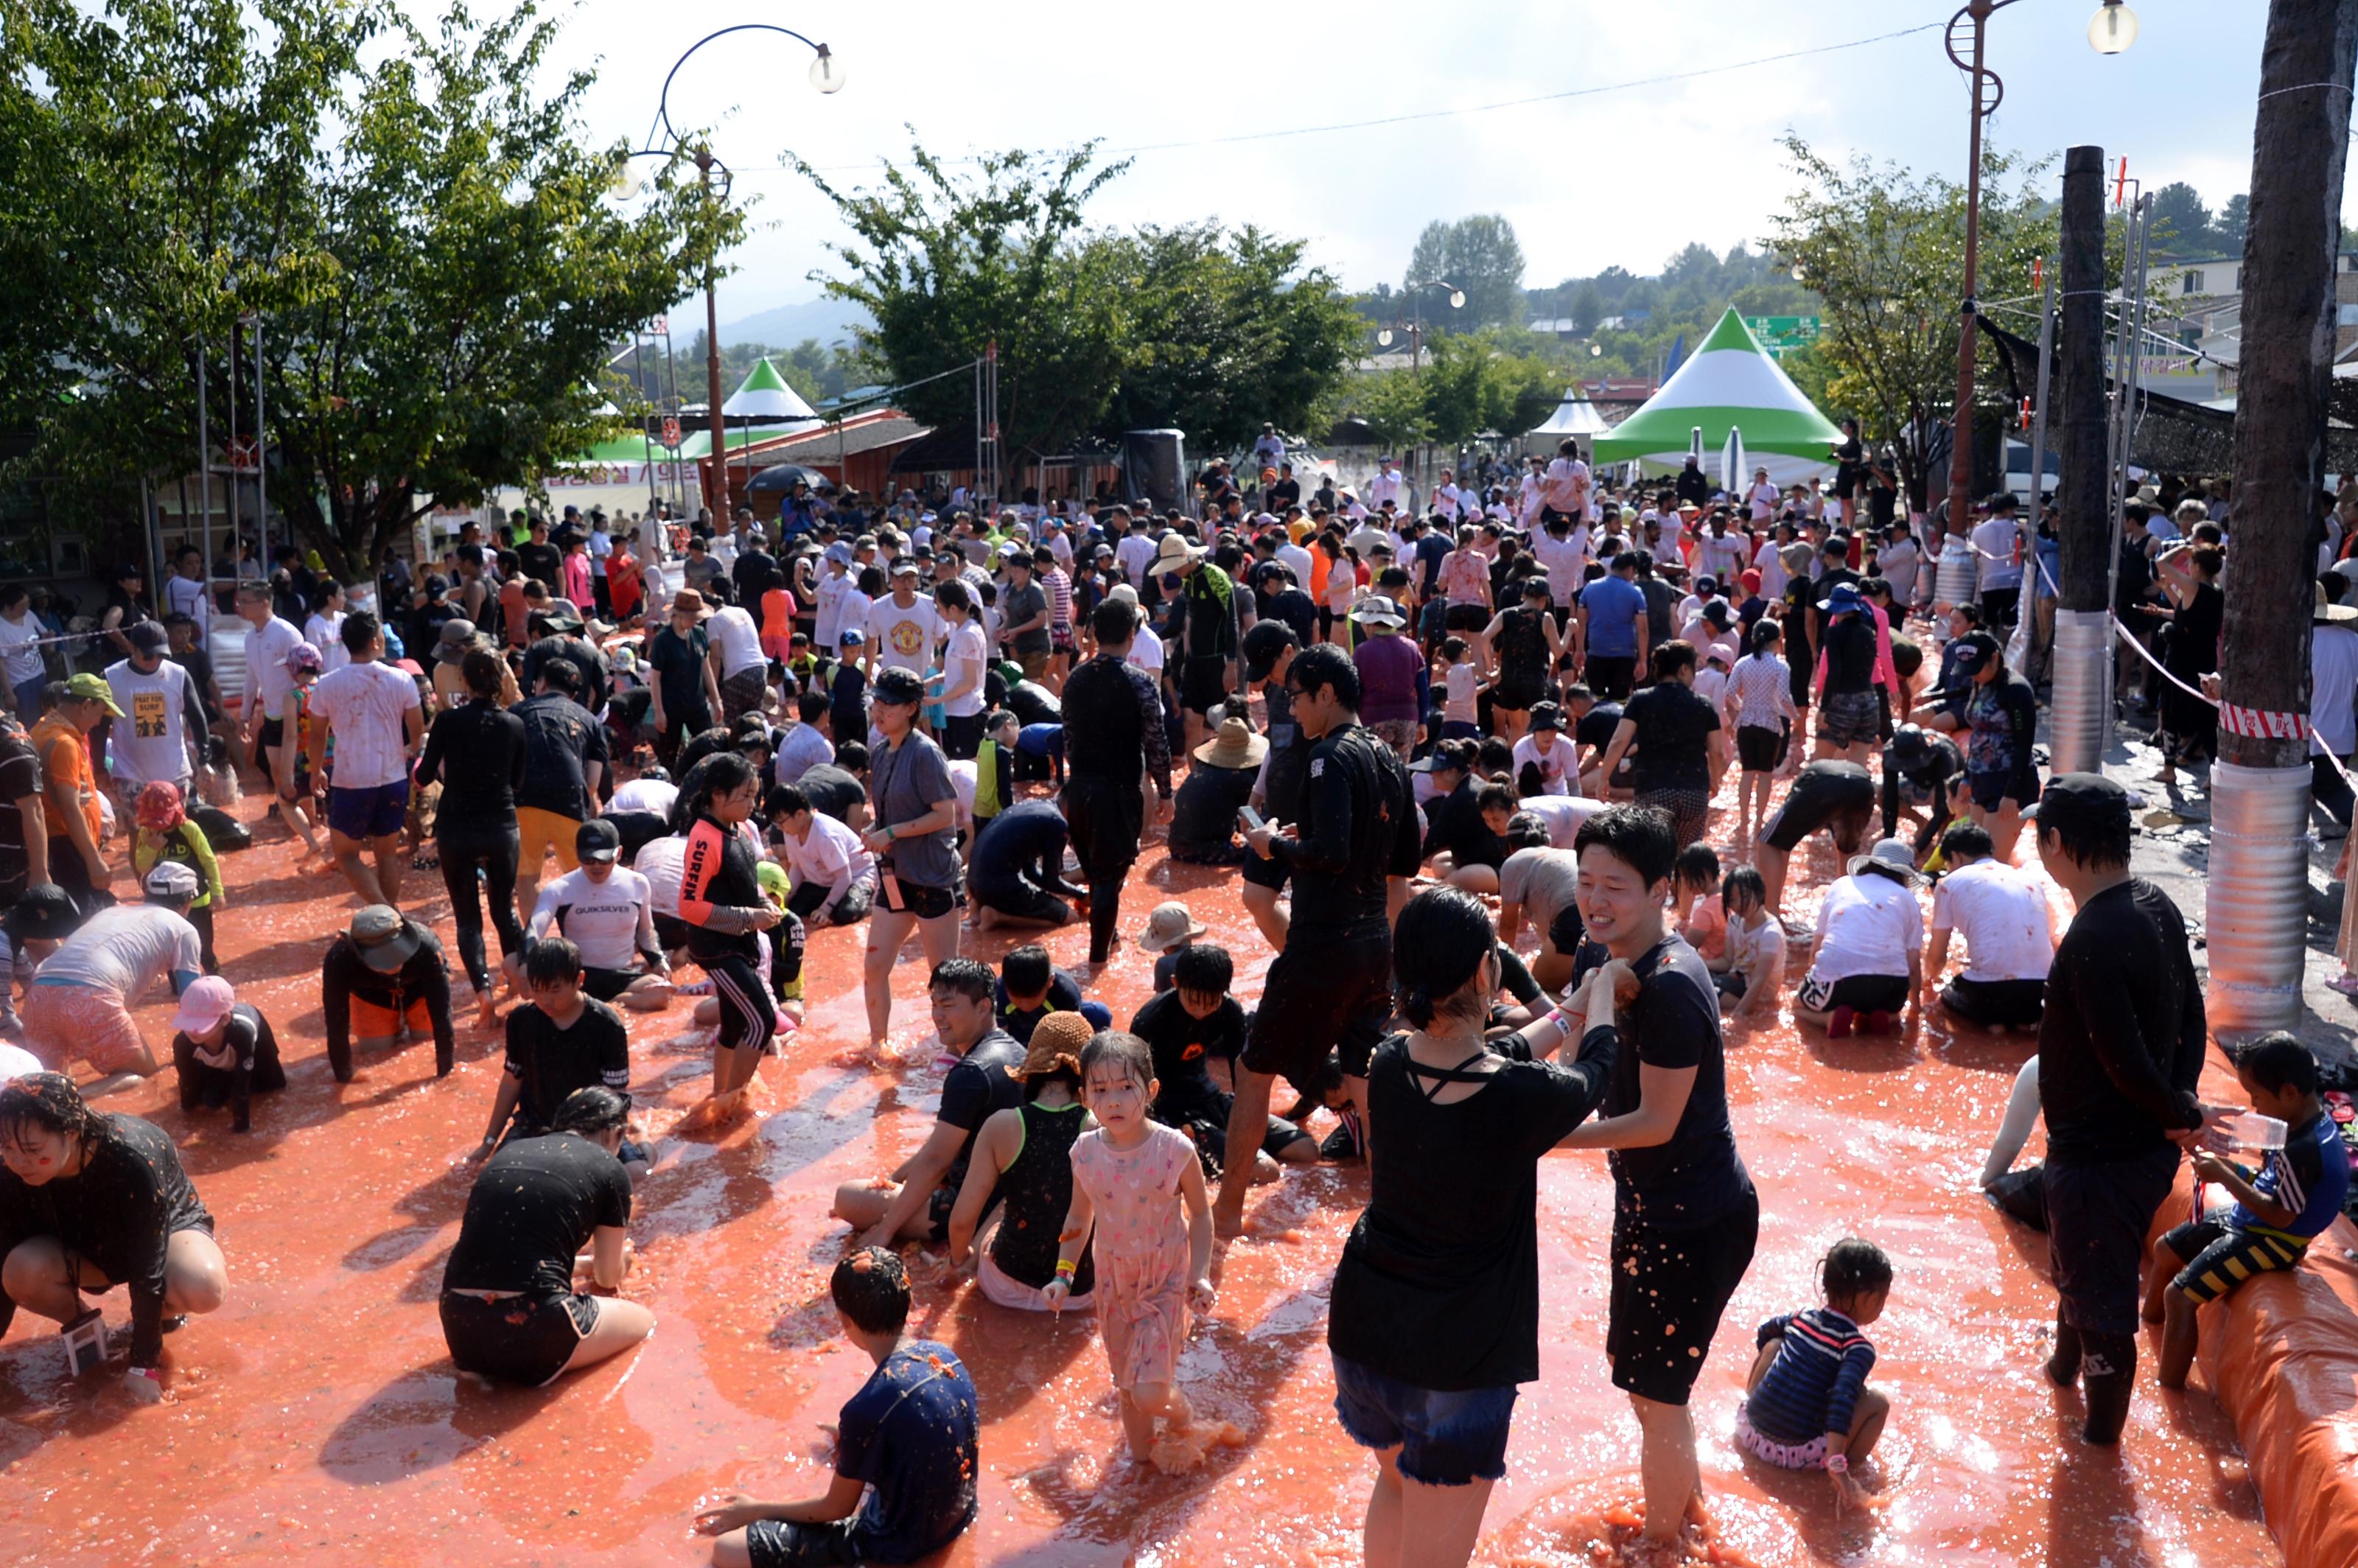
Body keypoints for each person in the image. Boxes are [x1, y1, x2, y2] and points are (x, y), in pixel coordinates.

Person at [1328, 889, 1622, 1568]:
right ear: (1486, 974)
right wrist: (1602, 992)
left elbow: (1496, 1053)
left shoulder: (1391, 1062)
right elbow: (1595, 1071)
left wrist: (1571, 1007)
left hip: (1367, 1332)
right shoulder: (1521, 1097)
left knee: (1396, 1487)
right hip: (1455, 1354)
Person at [1557, 806, 1757, 1553]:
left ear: (1661, 889)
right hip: (1645, 1207)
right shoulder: (1593, 955)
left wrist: (1548, 1139)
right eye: (1584, 883)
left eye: (1615, 886)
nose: (1595, 901)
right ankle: (1692, 1512)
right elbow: (1577, 1058)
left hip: (1697, 1217)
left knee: (1656, 1392)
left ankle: (1662, 1547)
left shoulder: (1674, 983)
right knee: (1644, 1385)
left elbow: (1655, 1121)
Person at [2027, 773, 2206, 1444]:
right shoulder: (2155, 904)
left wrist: (2174, 1109)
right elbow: (2191, 1013)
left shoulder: (2091, 940)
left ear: (2056, 843)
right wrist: (2178, 1103)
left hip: (2099, 1160)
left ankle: (2098, 1454)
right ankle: (2060, 1371)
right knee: (2082, 1271)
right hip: (2136, 1147)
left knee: (2104, 1307)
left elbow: (2121, 1058)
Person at [1230, 644, 1421, 1229]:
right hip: (1373, 950)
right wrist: (1302, 835)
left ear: (1327, 695)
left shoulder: (1324, 758)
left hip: (1324, 944)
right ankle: (1392, 1214)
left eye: (1295, 696)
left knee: (1252, 1073)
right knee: (1365, 1083)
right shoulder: (1390, 759)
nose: (1291, 708)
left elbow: (1331, 854)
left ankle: (1226, 1217)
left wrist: (1274, 846)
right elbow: (1401, 862)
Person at [693, 1248, 979, 1568]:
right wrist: (860, 1436)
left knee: (728, 1550)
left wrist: (756, 1509)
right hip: (957, 1516)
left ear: (845, 1321)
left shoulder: (866, 1410)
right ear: (909, 1303)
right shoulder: (946, 1357)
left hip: (896, 1544)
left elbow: (835, 1509)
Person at [1041, 1031, 1218, 1472]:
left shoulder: (1174, 1150)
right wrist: (1062, 1276)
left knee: (1150, 1393)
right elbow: (1078, 1220)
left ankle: (1186, 1416)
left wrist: (1200, 1274)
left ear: (1151, 1090)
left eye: (1126, 1088)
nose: (1114, 1101)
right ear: (1085, 1098)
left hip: (1164, 1278)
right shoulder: (1085, 1153)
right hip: (1114, 1281)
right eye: (1101, 1091)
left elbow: (1200, 1215)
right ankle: (1142, 1490)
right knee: (1132, 1414)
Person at [0, 1072, 227, 1404]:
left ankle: (162, 1316)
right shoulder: (9, 1173)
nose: (20, 1163)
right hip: (82, 1248)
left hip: (163, 1240)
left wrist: (143, 1367)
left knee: (203, 1285)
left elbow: (148, 1265)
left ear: (73, 1132)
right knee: (18, 1269)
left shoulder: (131, 1158)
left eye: (34, 1149)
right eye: (6, 1148)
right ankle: (82, 1324)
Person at [2147, 1033, 2351, 1390]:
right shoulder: (2297, 1128)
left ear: (2289, 1093)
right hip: (2253, 1220)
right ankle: (2144, 1330)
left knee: (2179, 1297)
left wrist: (2224, 1176)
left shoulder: (2305, 1149)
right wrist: (2232, 1168)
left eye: (2257, 1098)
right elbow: (2272, 1181)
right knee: (2165, 1249)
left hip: (2275, 1241)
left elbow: (2279, 1215)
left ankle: (2169, 1389)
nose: (2255, 1108)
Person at [439, 1085, 654, 1387]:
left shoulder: (509, 1153)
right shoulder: (609, 1167)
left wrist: (584, 1265)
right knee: (646, 1323)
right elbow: (608, 1278)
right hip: (534, 1328)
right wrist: (624, 1261)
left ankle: (487, 1383)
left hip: (460, 1329)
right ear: (615, 1133)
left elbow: (514, 1258)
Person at [833, 959, 1023, 1248]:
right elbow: (945, 1143)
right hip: (1013, 1197)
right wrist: (894, 1179)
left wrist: (885, 1229)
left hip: (977, 1207)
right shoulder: (1016, 1050)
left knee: (847, 1198)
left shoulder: (970, 1072)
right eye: (934, 1005)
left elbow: (937, 1161)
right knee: (884, 1187)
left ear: (983, 1007)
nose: (937, 1016)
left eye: (948, 1006)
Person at [945, 1011, 1098, 1311]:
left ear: (1033, 1068)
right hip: (1077, 1295)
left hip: (1004, 1286)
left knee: (1001, 1217)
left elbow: (962, 1221)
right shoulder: (1101, 1129)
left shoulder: (1001, 1125)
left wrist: (958, 1261)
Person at [1129, 944, 1315, 1179]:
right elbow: (1136, 1088)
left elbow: (1243, 1075)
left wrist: (1246, 1124)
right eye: (1194, 1001)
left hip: (1211, 1099)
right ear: (1176, 984)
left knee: (1307, 1150)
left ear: (1224, 991)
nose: (1202, 1011)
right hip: (1173, 1112)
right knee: (1269, 1172)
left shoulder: (1230, 1010)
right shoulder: (1150, 1021)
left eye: (1211, 1003)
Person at [21, 863, 204, 1098]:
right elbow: (193, 1000)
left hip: (39, 996)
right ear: (188, 901)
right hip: (90, 998)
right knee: (145, 1075)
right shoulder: (183, 929)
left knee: (43, 1086)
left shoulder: (109, 912)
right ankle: (72, 1099)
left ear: (147, 893)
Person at [1736, 1238, 1894, 1512]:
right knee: (1877, 1403)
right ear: (1869, 1299)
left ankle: (1756, 1402)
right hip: (1799, 1455)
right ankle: (1842, 1466)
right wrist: (1837, 1466)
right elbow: (1841, 1400)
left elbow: (1765, 1333)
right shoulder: (1857, 1348)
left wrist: (1788, 1375)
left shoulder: (1800, 1317)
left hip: (1750, 1433)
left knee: (1775, 1345)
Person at [417, 648, 529, 1019]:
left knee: (468, 919)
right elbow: (518, 782)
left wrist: (429, 774)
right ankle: (520, 983)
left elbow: (424, 775)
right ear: (501, 680)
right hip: (501, 825)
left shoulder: (447, 722)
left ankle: (483, 995)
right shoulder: (514, 724)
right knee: (504, 910)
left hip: (457, 827)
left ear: (464, 679)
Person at [1060, 599, 1172, 964]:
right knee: (1110, 879)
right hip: (1119, 791)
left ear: (1092, 633)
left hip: (1078, 789)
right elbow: (1157, 741)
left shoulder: (1075, 678)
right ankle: (1098, 962)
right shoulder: (1139, 682)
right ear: (1132, 634)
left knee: (1096, 873)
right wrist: (1166, 793)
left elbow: (1068, 739)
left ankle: (1108, 938)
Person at [857, 668, 965, 1046]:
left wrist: (891, 833)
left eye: (888, 704)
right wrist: (875, 830)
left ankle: (955, 1050)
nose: (879, 710)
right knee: (874, 965)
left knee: (944, 979)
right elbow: (889, 812)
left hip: (933, 876)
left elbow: (944, 814)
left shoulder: (926, 754)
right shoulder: (881, 751)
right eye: (877, 703)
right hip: (895, 875)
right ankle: (878, 1046)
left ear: (912, 709)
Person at [675, 753, 786, 1099]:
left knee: (735, 1024)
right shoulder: (704, 838)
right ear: (718, 796)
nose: (754, 804)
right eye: (746, 795)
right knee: (763, 1020)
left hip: (739, 942)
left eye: (755, 795)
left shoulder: (740, 828)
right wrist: (747, 918)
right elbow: (688, 906)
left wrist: (763, 901)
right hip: (716, 948)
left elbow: (744, 879)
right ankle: (734, 1100)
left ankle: (718, 1094)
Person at [472, 936, 637, 1166]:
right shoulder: (521, 1020)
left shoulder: (607, 1025)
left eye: (555, 990)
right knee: (499, 1172)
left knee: (636, 1172)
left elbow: (615, 1095)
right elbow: (512, 1081)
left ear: (579, 979)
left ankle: (645, 1142)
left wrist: (598, 1143)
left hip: (589, 1128)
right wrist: (488, 1143)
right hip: (534, 1125)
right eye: (537, 990)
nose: (545, 1000)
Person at [305, 612, 425, 906]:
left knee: (346, 856)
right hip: (393, 778)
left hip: (350, 781)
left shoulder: (327, 684)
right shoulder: (401, 678)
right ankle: (391, 920)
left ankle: (383, 913)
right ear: (374, 641)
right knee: (387, 856)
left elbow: (318, 735)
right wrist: (408, 752)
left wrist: (316, 770)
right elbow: (417, 729)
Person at [513, 821, 673, 1012]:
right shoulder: (559, 889)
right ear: (577, 854)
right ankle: (593, 1004)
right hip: (577, 978)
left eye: (604, 859)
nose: (596, 865)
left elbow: (646, 933)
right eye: (589, 859)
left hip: (622, 975)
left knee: (662, 994)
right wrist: (525, 964)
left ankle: (604, 1006)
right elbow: (533, 931)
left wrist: (659, 962)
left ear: (619, 853)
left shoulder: (637, 884)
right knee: (534, 991)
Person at [1595, 641, 1729, 850]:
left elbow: (1619, 741)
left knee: (1653, 856)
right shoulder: (1704, 705)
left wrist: (1604, 778)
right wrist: (1715, 779)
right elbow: (1717, 751)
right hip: (1694, 791)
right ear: (1684, 669)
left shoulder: (1641, 700)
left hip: (1653, 789)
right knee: (1686, 857)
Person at [1923, 821, 2053, 1030]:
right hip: (2043, 995)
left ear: (1956, 857)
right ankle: (2020, 1023)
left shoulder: (1950, 883)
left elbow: (1937, 958)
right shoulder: (2030, 880)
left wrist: (1927, 983)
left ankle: (1995, 1027)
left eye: (1948, 865)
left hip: (1989, 999)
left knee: (1947, 995)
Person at [513, 659, 609, 929]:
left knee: (527, 878)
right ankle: (586, 942)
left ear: (540, 684)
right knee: (582, 877)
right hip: (569, 801)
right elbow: (592, 782)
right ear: (574, 694)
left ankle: (534, 945)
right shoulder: (589, 720)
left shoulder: (517, 711)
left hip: (524, 802)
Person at [1795, 839, 1924, 1037]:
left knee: (1797, 1006)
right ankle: (1883, 1017)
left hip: (1838, 983)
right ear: (1904, 875)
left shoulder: (1841, 885)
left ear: (1870, 863)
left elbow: (1816, 952)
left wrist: (1815, 978)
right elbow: (1913, 965)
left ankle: (1828, 1018)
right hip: (1887, 989)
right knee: (1891, 1012)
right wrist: (1915, 1008)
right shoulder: (1909, 900)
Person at [321, 903, 457, 1082]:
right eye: (384, 958)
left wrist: (445, 1077)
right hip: (371, 997)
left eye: (397, 953)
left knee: (424, 1041)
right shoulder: (339, 960)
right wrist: (343, 1080)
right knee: (376, 1053)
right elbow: (336, 1028)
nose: (393, 963)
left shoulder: (427, 946)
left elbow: (443, 1019)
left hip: (420, 993)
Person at [102, 622, 207, 830]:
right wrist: (99, 767)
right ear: (132, 648)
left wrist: (204, 759)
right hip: (130, 774)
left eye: (161, 655)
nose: (155, 661)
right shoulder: (112, 678)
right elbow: (100, 727)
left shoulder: (178, 675)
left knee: (175, 832)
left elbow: (197, 718)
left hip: (174, 773)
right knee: (139, 836)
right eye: (148, 656)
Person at [1951, 631, 2040, 859]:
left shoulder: (2016, 690)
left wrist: (2011, 795)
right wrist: (1967, 777)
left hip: (2009, 786)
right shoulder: (1981, 685)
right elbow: (1978, 735)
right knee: (1972, 858)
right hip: (1982, 780)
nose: (1974, 677)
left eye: (1977, 670)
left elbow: (2024, 743)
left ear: (1995, 658)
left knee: (1991, 862)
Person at [32, 674, 118, 912]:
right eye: (99, 713)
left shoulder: (41, 727)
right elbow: (70, 808)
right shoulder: (65, 744)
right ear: (85, 706)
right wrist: (93, 860)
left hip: (58, 845)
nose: (99, 721)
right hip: (68, 849)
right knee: (88, 927)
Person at [1755, 759, 1875, 916]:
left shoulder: (1801, 790)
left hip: (1825, 784)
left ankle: (1771, 911)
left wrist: (1773, 901)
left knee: (1768, 842)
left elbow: (1780, 846)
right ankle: (1845, 912)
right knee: (1848, 847)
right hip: (1863, 786)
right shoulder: (1812, 787)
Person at [167, 976, 284, 1133]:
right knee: (209, 1102)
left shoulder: (243, 1032)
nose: (192, 1030)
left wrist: (240, 1132)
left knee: (273, 1088)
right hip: (222, 1054)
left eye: (200, 1024)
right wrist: (187, 1121)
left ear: (225, 1019)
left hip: (257, 1047)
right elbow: (187, 1083)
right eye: (189, 1022)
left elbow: (241, 1088)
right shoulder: (182, 1043)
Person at [130, 782, 223, 974]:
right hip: (163, 903)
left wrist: (217, 892)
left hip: (197, 900)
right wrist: (151, 848)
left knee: (203, 946)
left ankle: (215, 981)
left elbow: (208, 861)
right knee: (171, 951)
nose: (158, 825)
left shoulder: (189, 829)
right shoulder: (146, 833)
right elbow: (142, 866)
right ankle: (180, 992)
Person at [1725, 619, 1798, 841]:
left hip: (1746, 723)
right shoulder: (1780, 666)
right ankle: (1759, 819)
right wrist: (1795, 717)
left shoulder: (1742, 663)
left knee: (1747, 773)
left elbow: (1729, 693)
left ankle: (1744, 818)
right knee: (1765, 773)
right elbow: (1785, 698)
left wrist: (1743, 707)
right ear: (1777, 641)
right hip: (1770, 723)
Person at [967, 798, 1083, 932]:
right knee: (1071, 917)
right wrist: (1081, 895)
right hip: (996, 886)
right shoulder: (1058, 823)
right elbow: (1051, 881)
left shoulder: (1035, 806)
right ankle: (998, 916)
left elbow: (1031, 873)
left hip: (974, 884)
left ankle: (980, 903)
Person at [1169, 713, 1263, 866]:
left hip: (1175, 845)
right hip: (1202, 851)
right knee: (1265, 852)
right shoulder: (1240, 778)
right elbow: (1255, 818)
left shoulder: (1202, 767)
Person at [650, 592, 723, 766]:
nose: (695, 622)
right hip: (672, 707)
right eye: (692, 618)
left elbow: (705, 668)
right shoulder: (663, 640)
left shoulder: (699, 634)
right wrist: (659, 711)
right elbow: (655, 679)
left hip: (697, 704)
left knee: (710, 749)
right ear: (678, 616)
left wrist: (716, 699)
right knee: (669, 757)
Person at [1713, 867, 1786, 1021]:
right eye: (1732, 900)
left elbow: (1759, 981)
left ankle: (1752, 1008)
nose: (1739, 904)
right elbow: (1727, 961)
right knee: (1698, 977)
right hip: (1736, 979)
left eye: (1745, 896)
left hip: (1757, 991)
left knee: (1707, 989)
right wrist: (1699, 962)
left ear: (1759, 893)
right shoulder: (1734, 921)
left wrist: (1737, 1016)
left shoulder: (1770, 933)